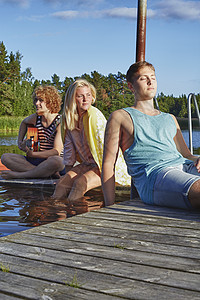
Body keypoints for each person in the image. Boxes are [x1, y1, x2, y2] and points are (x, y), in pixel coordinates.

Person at [102, 61, 200, 210]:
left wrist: (198, 158)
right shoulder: (121, 117)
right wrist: (109, 206)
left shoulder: (170, 118)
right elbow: (108, 164)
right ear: (130, 86)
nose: (150, 82)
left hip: (186, 167)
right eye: (143, 78)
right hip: (156, 175)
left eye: (153, 77)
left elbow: (186, 155)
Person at [52, 78, 130, 203]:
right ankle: (56, 214)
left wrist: (106, 174)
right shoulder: (68, 120)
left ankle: (73, 216)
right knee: (62, 184)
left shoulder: (94, 115)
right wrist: (67, 175)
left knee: (80, 183)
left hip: (104, 165)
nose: (85, 99)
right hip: (88, 164)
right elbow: (69, 153)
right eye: (80, 96)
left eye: (88, 95)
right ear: (73, 99)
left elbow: (104, 149)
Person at [1, 85, 65, 179]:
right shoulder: (35, 118)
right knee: (5, 157)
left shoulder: (60, 122)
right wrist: (19, 143)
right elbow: (23, 123)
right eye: (36, 100)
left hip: (51, 161)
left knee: (57, 161)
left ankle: (20, 175)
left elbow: (56, 152)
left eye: (40, 100)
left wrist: (32, 154)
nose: (36, 103)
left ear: (50, 102)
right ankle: (45, 173)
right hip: (36, 161)